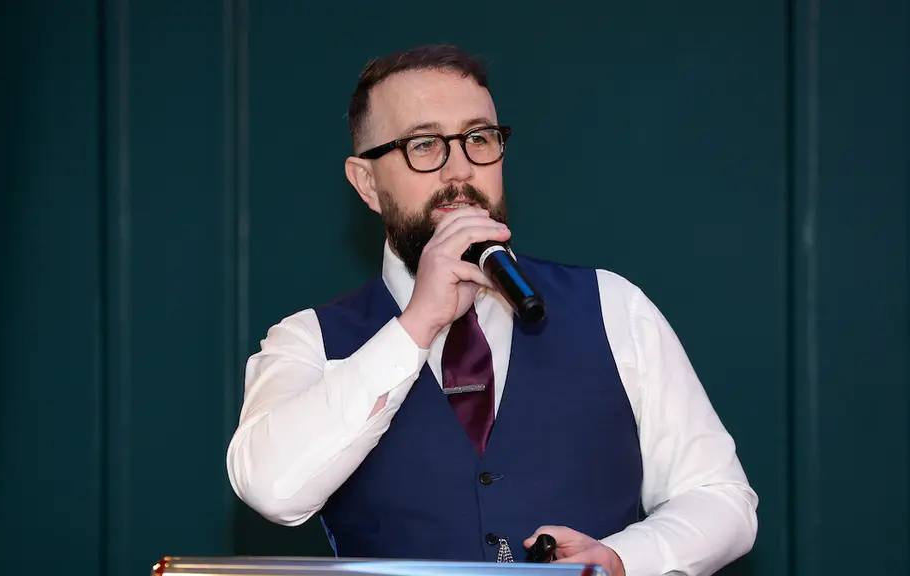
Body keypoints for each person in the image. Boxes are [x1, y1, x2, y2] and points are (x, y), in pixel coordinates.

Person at [226, 44, 758, 576]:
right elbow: (273, 488)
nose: (460, 170)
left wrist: (623, 559)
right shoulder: (309, 340)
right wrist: (417, 325)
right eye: (425, 144)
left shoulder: (614, 306)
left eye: (479, 139)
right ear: (367, 183)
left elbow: (721, 499)